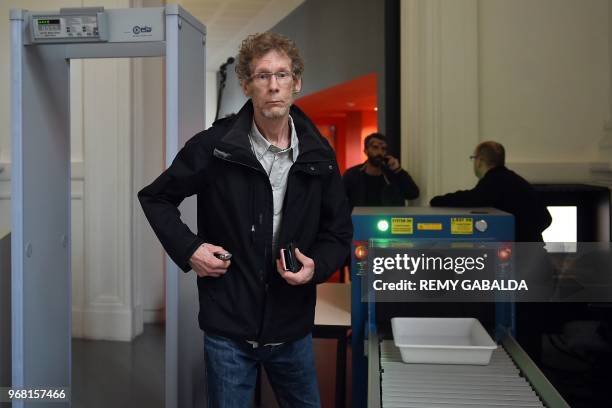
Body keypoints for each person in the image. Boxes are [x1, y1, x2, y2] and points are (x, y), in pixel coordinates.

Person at [138, 32, 352, 407]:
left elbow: (338, 232)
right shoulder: (214, 147)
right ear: (246, 85)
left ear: (296, 83)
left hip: (292, 327)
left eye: (282, 75)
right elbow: (155, 197)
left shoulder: (319, 154)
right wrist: (191, 249)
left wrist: (316, 267)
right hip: (228, 331)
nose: (273, 86)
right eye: (262, 76)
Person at [430, 141, 551, 242]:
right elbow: (546, 218)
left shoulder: (494, 182)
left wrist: (436, 201)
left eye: (474, 158)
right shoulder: (516, 180)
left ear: (480, 161)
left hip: (523, 259)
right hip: (536, 254)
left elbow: (472, 198)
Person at [342, 133, 419, 210]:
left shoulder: (392, 175)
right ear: (366, 151)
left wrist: (398, 170)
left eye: (383, 149)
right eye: (375, 147)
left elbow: (413, 194)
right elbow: (338, 200)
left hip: (389, 219)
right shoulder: (352, 175)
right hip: (359, 220)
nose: (379, 152)